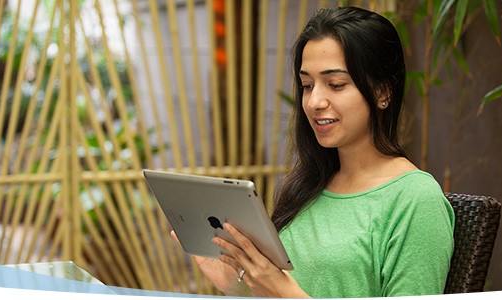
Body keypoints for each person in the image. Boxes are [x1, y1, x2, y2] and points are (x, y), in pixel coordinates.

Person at [172, 6, 455, 298]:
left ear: (382, 92)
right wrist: (235, 281)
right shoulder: (310, 185)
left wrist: (283, 292)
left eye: (335, 84)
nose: (314, 101)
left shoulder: (415, 199)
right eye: (307, 85)